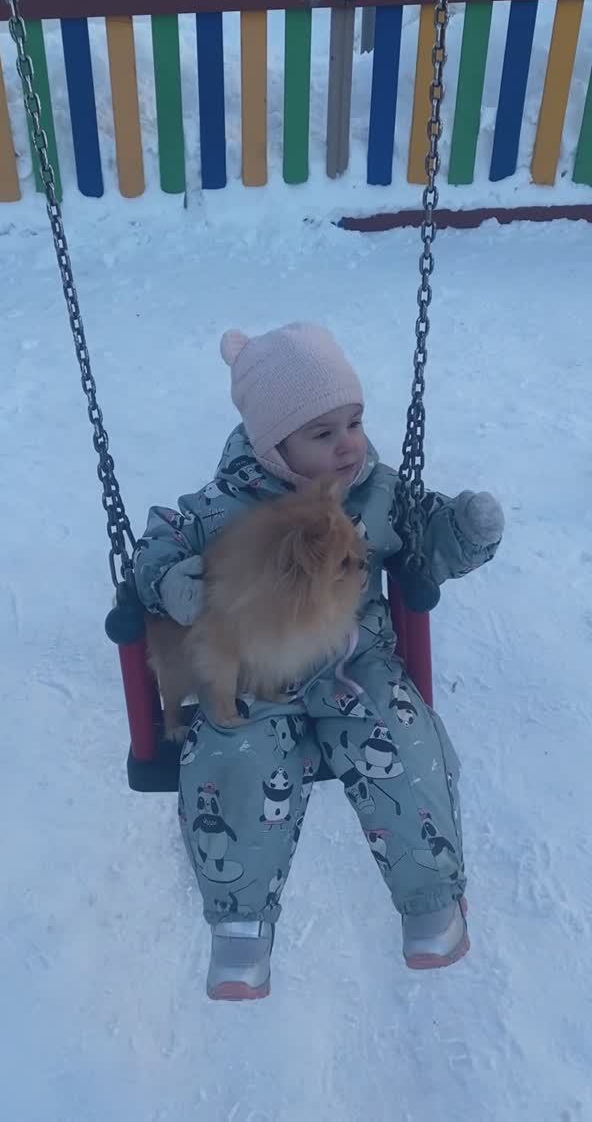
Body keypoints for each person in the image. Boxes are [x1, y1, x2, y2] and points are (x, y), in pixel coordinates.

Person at [133, 323, 504, 1001]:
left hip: (354, 665)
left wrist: (466, 530)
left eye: (354, 422)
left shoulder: (380, 492)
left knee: (400, 741)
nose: (347, 444)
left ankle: (431, 902)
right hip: (252, 672)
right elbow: (158, 541)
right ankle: (241, 926)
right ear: (274, 443)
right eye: (322, 432)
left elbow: (426, 536)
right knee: (232, 761)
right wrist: (169, 581)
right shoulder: (221, 506)